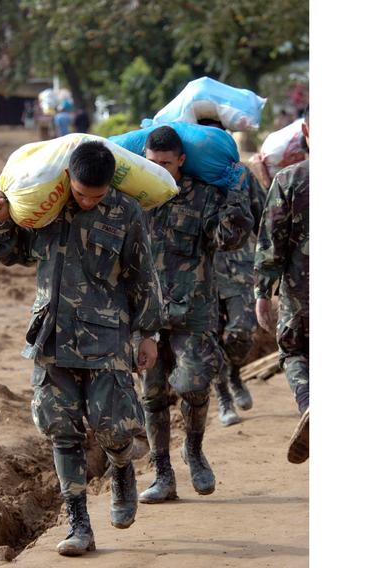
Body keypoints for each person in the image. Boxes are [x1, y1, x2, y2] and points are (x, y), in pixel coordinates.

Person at [0, 141, 163, 557]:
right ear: (68, 179)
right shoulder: (46, 207)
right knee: (61, 432)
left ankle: (121, 469)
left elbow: (143, 275)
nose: (87, 201)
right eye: (81, 193)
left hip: (107, 339)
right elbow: (9, 254)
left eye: (96, 197)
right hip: (50, 337)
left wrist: (148, 333)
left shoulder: (125, 213)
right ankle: (79, 524)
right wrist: (1, 218)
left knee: (116, 430)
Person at [138, 126, 253, 503]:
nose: (159, 170)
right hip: (148, 315)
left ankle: (194, 449)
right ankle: (163, 473)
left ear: (182, 160)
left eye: (166, 164)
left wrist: (236, 194)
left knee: (193, 385)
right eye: (152, 163)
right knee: (153, 396)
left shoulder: (203, 197)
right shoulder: (137, 197)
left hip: (193, 312)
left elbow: (227, 238)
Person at [196, 118, 268, 427]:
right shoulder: (188, 180)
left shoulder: (241, 177)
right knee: (209, 339)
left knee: (242, 332)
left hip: (239, 270)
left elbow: (265, 217)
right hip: (201, 274)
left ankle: (236, 372)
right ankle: (223, 393)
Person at [255, 106, 310, 464]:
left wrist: (262, 292)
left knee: (292, 351)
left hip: (302, 292)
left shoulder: (290, 180)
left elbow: (271, 242)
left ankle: (309, 404)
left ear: (306, 131)